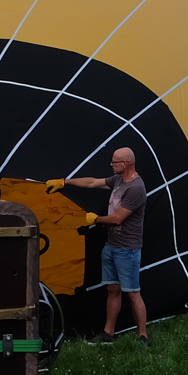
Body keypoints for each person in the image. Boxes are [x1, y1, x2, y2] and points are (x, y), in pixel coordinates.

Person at [47, 147, 150, 346]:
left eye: (115, 162)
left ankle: (143, 337)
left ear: (126, 164)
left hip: (127, 249)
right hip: (111, 245)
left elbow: (119, 218)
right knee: (112, 289)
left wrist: (96, 219)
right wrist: (64, 182)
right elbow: (93, 182)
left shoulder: (136, 188)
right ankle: (107, 334)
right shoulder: (119, 180)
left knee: (133, 293)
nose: (111, 165)